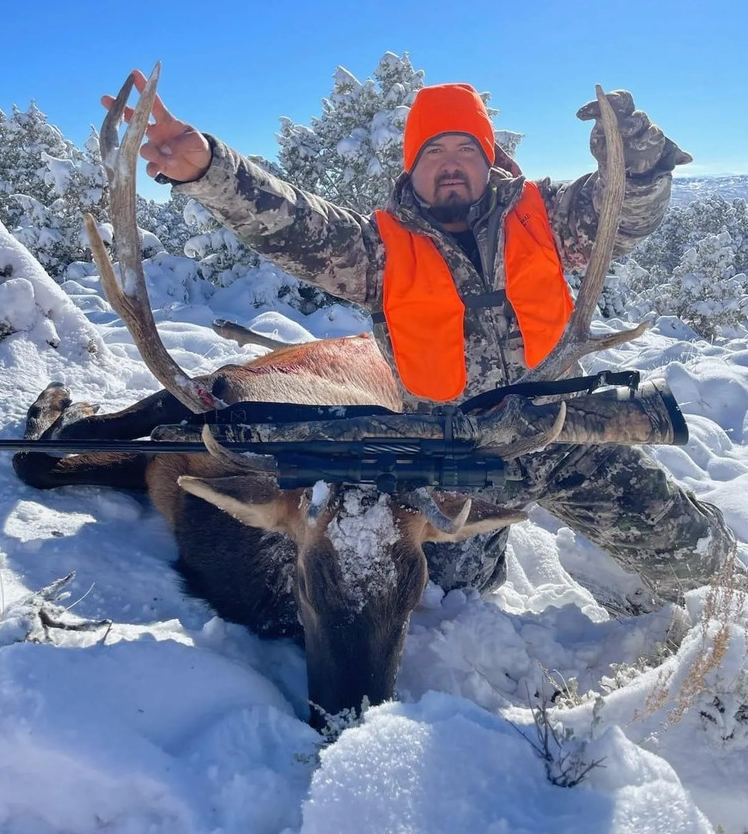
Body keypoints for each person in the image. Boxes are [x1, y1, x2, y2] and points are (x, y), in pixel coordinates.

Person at [102, 75, 737, 612]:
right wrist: (209, 170)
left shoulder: (547, 215)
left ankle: (726, 602)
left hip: (563, 435)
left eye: (466, 146)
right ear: (413, 165)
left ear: (488, 157)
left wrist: (643, 162)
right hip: (445, 457)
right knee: (450, 598)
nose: (452, 162)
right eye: (434, 151)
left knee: (695, 560)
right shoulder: (375, 249)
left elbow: (625, 213)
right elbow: (291, 221)